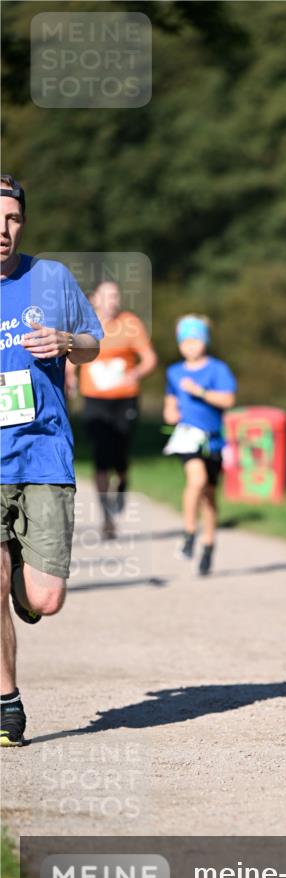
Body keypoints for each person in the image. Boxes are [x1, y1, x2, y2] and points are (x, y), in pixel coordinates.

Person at [0, 175, 103, 747]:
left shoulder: (51, 277)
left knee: (45, 599)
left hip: (43, 453)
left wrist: (67, 341)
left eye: (13, 219)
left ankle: (23, 576)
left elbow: (94, 342)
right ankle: (6, 703)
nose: (3, 231)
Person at [69, 280, 157, 539]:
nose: (113, 301)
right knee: (100, 455)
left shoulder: (130, 323)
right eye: (107, 296)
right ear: (94, 299)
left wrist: (136, 374)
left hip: (124, 399)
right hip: (95, 399)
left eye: (116, 296)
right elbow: (72, 357)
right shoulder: (83, 324)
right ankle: (107, 518)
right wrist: (70, 378)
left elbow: (149, 359)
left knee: (120, 452)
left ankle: (123, 479)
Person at [163, 315, 236, 576]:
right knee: (196, 480)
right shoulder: (174, 372)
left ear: (204, 342)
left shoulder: (218, 369)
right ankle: (189, 533)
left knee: (209, 496)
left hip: (214, 439)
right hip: (187, 437)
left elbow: (228, 400)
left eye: (195, 341)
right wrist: (170, 412)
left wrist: (201, 392)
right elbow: (170, 402)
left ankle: (208, 544)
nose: (190, 347)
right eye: (185, 342)